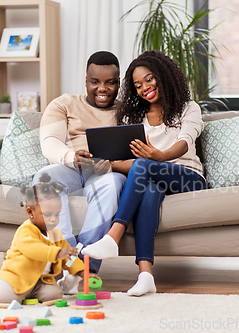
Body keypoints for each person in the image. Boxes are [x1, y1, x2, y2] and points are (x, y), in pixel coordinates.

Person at [82, 50, 207, 296]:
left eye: (149, 79)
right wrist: (110, 164)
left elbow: (184, 141)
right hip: (153, 177)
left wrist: (158, 156)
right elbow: (135, 165)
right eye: (138, 85)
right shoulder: (133, 116)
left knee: (142, 165)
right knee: (149, 189)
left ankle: (113, 236)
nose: (145, 88)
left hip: (187, 177)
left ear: (164, 76)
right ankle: (146, 274)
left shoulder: (188, 108)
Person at [33, 51, 126, 273]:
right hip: (72, 168)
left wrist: (113, 164)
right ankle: (65, 258)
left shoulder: (128, 110)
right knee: (43, 178)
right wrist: (71, 158)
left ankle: (85, 267)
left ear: (119, 83)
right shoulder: (64, 104)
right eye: (95, 82)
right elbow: (50, 141)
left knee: (112, 185)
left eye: (110, 83)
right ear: (86, 81)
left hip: (107, 172)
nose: (102, 88)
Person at [0, 173, 98, 303]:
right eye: (47, 214)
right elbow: (34, 249)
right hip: (18, 278)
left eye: (57, 214)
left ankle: (30, 294)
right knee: (6, 298)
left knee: (55, 295)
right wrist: (57, 252)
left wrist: (82, 272)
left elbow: (69, 259)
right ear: (30, 212)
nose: (53, 219)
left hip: (40, 281)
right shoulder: (26, 231)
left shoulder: (56, 235)